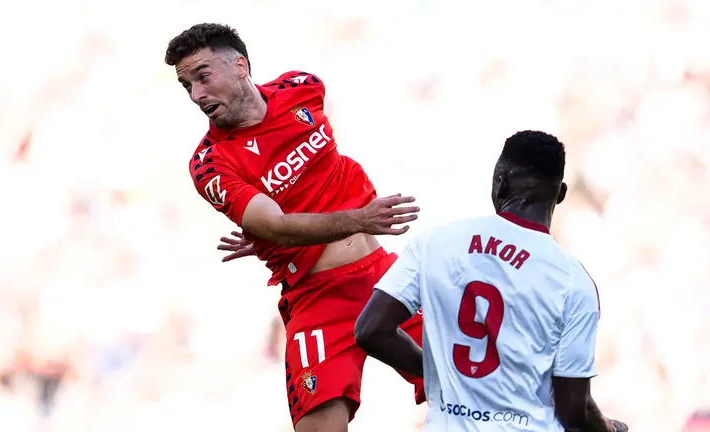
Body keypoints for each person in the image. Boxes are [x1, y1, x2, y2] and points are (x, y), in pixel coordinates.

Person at [164, 23, 425, 431]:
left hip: (383, 276)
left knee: (470, 378)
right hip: (317, 298)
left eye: (202, 76)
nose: (197, 95)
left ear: (240, 66)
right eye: (187, 86)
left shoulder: (302, 87)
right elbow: (278, 225)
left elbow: (325, 169)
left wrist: (275, 236)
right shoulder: (209, 164)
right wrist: (353, 220)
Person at [354, 131, 628, 431]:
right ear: (560, 194)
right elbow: (574, 411)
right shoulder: (573, 282)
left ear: (500, 183)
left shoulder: (435, 243)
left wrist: (443, 374)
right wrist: (610, 429)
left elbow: (371, 330)